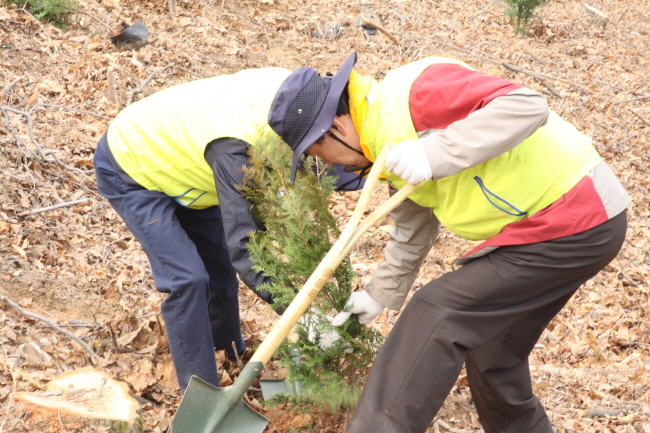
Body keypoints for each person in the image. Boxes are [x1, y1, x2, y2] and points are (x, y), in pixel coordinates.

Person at [268, 52, 630, 433]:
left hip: (575, 213)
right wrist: (378, 294)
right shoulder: (381, 148)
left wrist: (433, 153)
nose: (330, 166)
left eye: (317, 153)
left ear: (336, 127)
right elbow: (413, 226)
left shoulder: (415, 95)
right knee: (493, 353)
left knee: (437, 310)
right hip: (550, 227)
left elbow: (526, 106)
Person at [93, 68, 364, 394]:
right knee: (187, 278)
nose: (321, 163)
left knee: (218, 269)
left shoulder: (303, 101)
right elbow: (248, 247)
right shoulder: (238, 151)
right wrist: (300, 316)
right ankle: (201, 394)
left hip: (191, 170)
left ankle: (229, 355)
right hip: (134, 163)